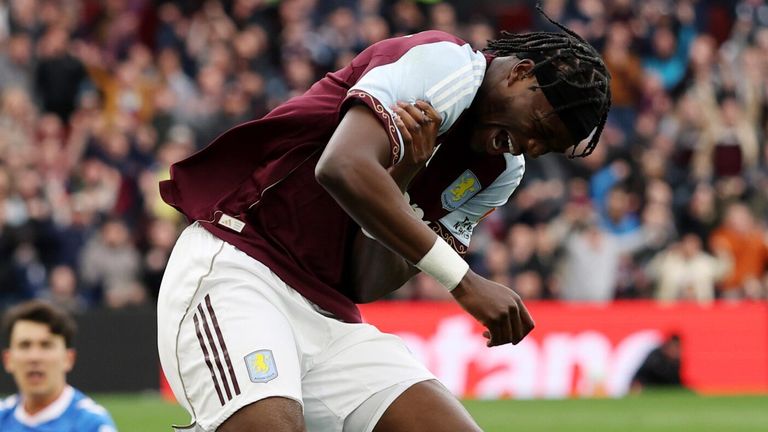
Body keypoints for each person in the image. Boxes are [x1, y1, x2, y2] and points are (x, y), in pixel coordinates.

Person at [157, 6, 611, 432]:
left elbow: (367, 281)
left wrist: (404, 176)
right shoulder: (448, 66)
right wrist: (465, 283)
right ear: (520, 73)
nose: (530, 147)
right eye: (541, 128)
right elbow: (341, 167)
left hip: (329, 314)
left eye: (546, 148)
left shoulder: (500, 174)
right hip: (240, 265)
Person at [0, 300, 117, 431]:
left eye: (46, 345)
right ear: (8, 359)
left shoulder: (92, 425)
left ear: (68, 359)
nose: (34, 357)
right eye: (24, 345)